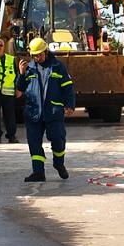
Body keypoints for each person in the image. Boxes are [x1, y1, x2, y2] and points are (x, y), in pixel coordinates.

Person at [16, 37, 75, 182]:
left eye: (40, 54)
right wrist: (21, 74)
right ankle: (38, 172)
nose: (37, 57)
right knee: (34, 143)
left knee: (58, 140)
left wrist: (70, 105)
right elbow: (19, 90)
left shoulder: (57, 66)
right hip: (33, 113)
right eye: (35, 55)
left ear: (46, 51)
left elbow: (68, 87)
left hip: (53, 111)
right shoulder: (29, 68)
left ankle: (59, 164)